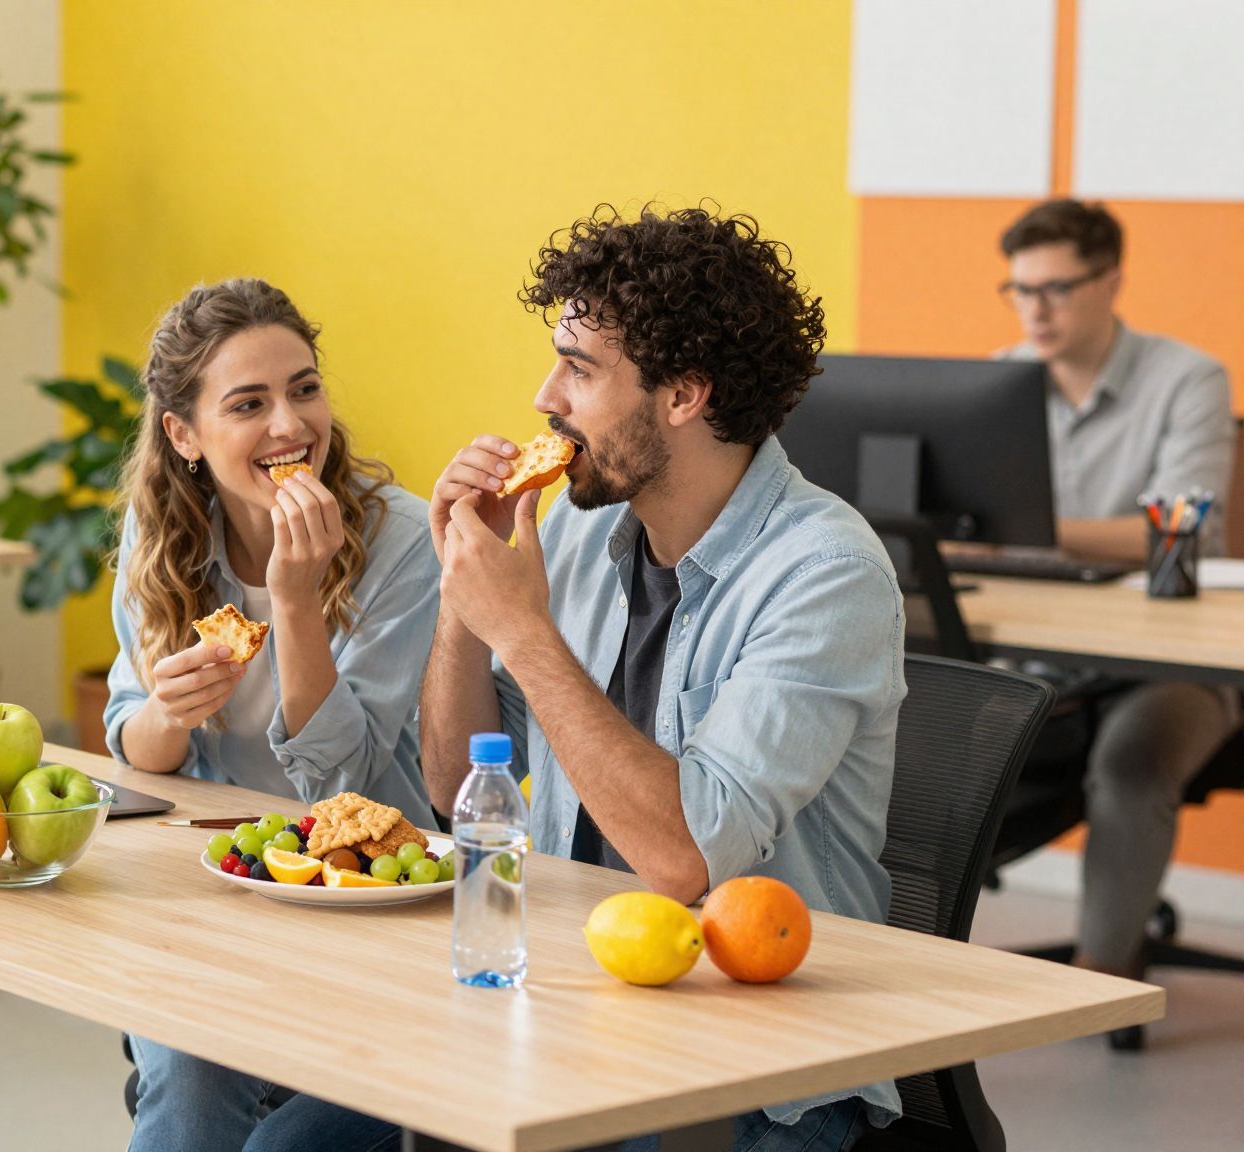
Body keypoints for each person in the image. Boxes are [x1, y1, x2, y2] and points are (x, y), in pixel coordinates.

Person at [419, 206, 904, 1151]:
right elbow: (452, 786)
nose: (544, 397)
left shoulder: (826, 574)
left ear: (683, 395)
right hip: (576, 1004)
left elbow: (686, 861)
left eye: (579, 369)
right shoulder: (575, 527)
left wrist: (521, 629)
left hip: (765, 1065)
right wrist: (461, 590)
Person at [104, 277, 439, 1152]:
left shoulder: (402, 542)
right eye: (249, 404)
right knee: (189, 1073)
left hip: (368, 905)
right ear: (183, 435)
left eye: (305, 389)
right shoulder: (162, 538)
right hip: (220, 891)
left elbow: (346, 786)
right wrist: (167, 713)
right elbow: (135, 744)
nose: (291, 426)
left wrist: (294, 602)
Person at [996, 199, 1238, 999]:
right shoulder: (1001, 381)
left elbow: (1181, 535)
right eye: (1020, 289)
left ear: (1111, 282)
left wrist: (1029, 531)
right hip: (1042, 655)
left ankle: (1097, 991)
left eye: (1057, 288)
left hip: (1173, 663)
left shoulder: (1187, 379)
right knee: (926, 733)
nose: (1035, 309)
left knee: (1132, 763)